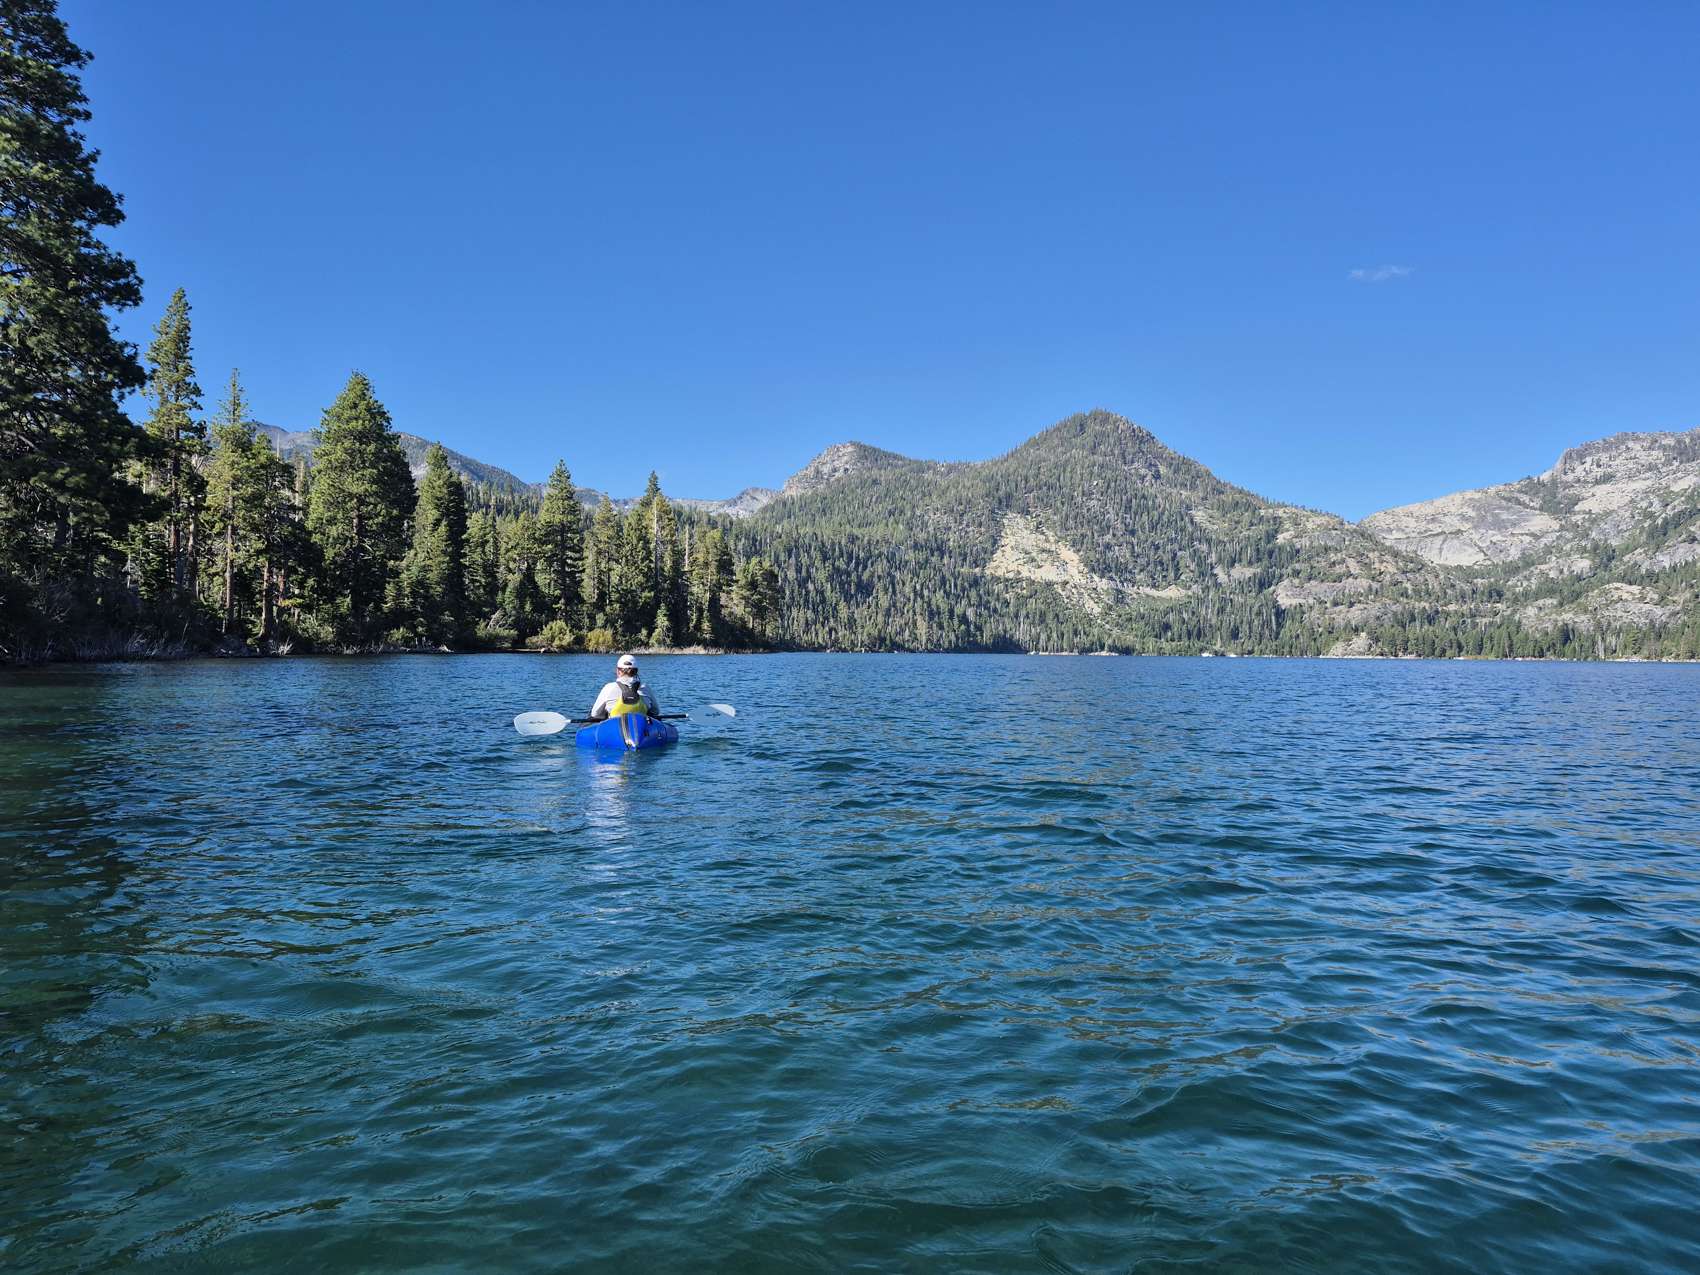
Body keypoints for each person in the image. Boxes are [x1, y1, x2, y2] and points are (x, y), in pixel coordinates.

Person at [588, 653, 661, 721]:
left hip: (615, 727)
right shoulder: (645, 688)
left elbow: (595, 714)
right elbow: (656, 711)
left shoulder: (609, 688)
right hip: (641, 728)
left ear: (618, 671)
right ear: (637, 671)